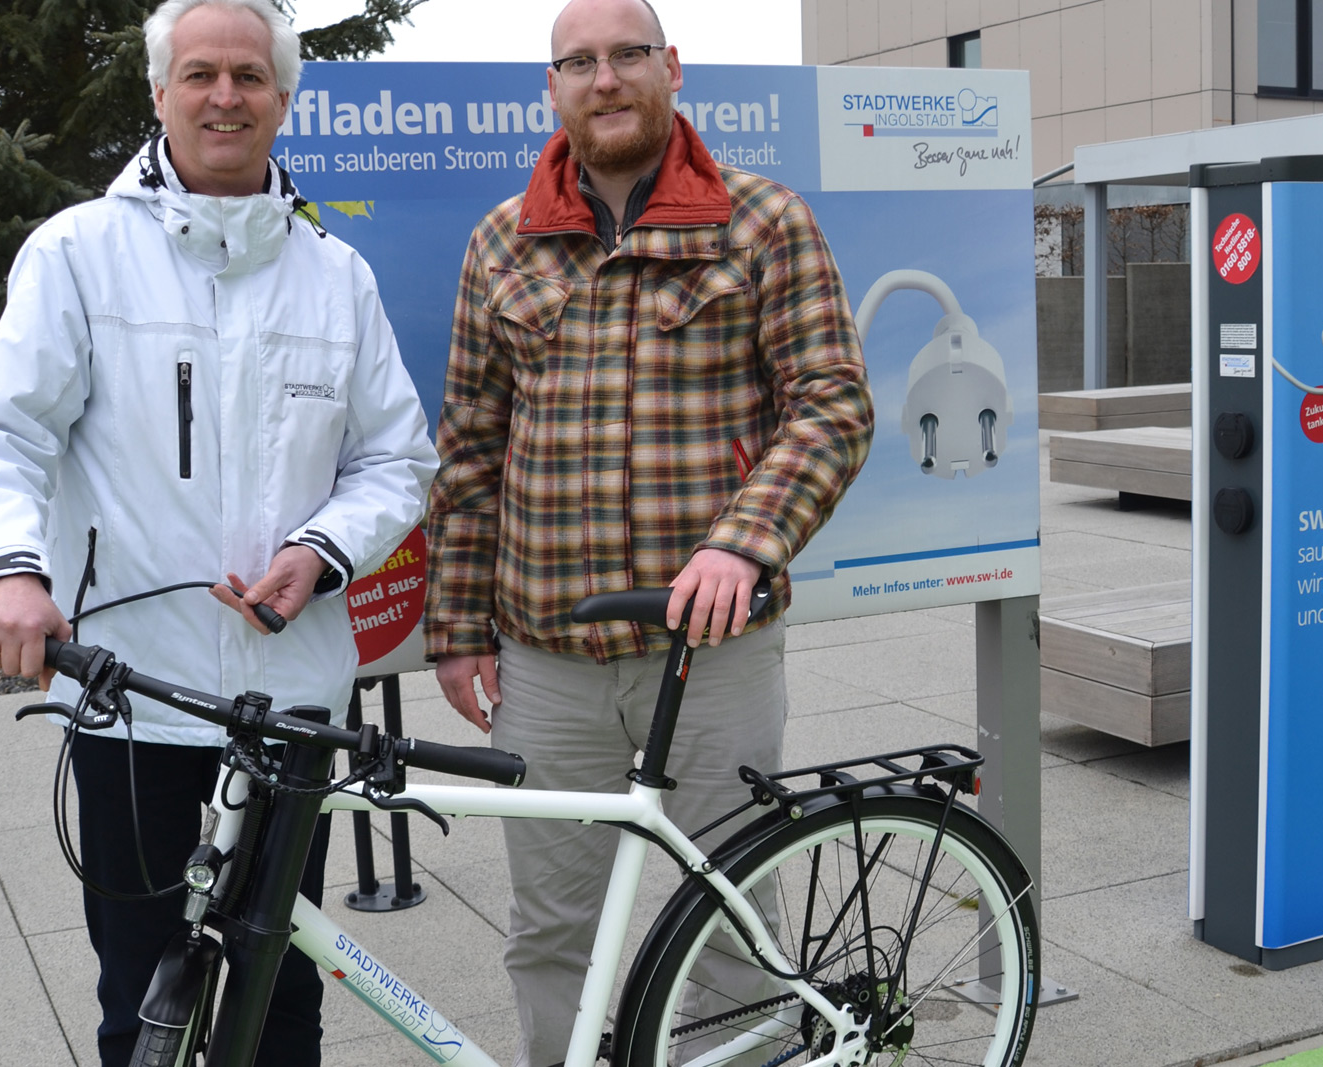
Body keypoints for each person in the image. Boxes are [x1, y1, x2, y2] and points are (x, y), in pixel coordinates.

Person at [0, 1, 438, 1063]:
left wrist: (320, 552)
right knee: (146, 1003)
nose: (225, 95)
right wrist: (9, 570)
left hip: (290, 711)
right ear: (159, 93)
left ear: (283, 99)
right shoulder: (76, 253)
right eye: (201, 74)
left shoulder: (334, 275)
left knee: (280, 1002)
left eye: (250, 76)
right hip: (134, 706)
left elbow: (399, 459)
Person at [421, 1, 873, 1062]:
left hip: (708, 654)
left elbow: (830, 404)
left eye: (627, 55)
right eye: (577, 62)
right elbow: (472, 448)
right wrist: (455, 627)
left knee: (730, 913)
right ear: (552, 89)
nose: (605, 78)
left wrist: (744, 539)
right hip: (546, 661)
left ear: (672, 68)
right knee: (550, 932)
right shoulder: (502, 240)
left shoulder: (762, 219)